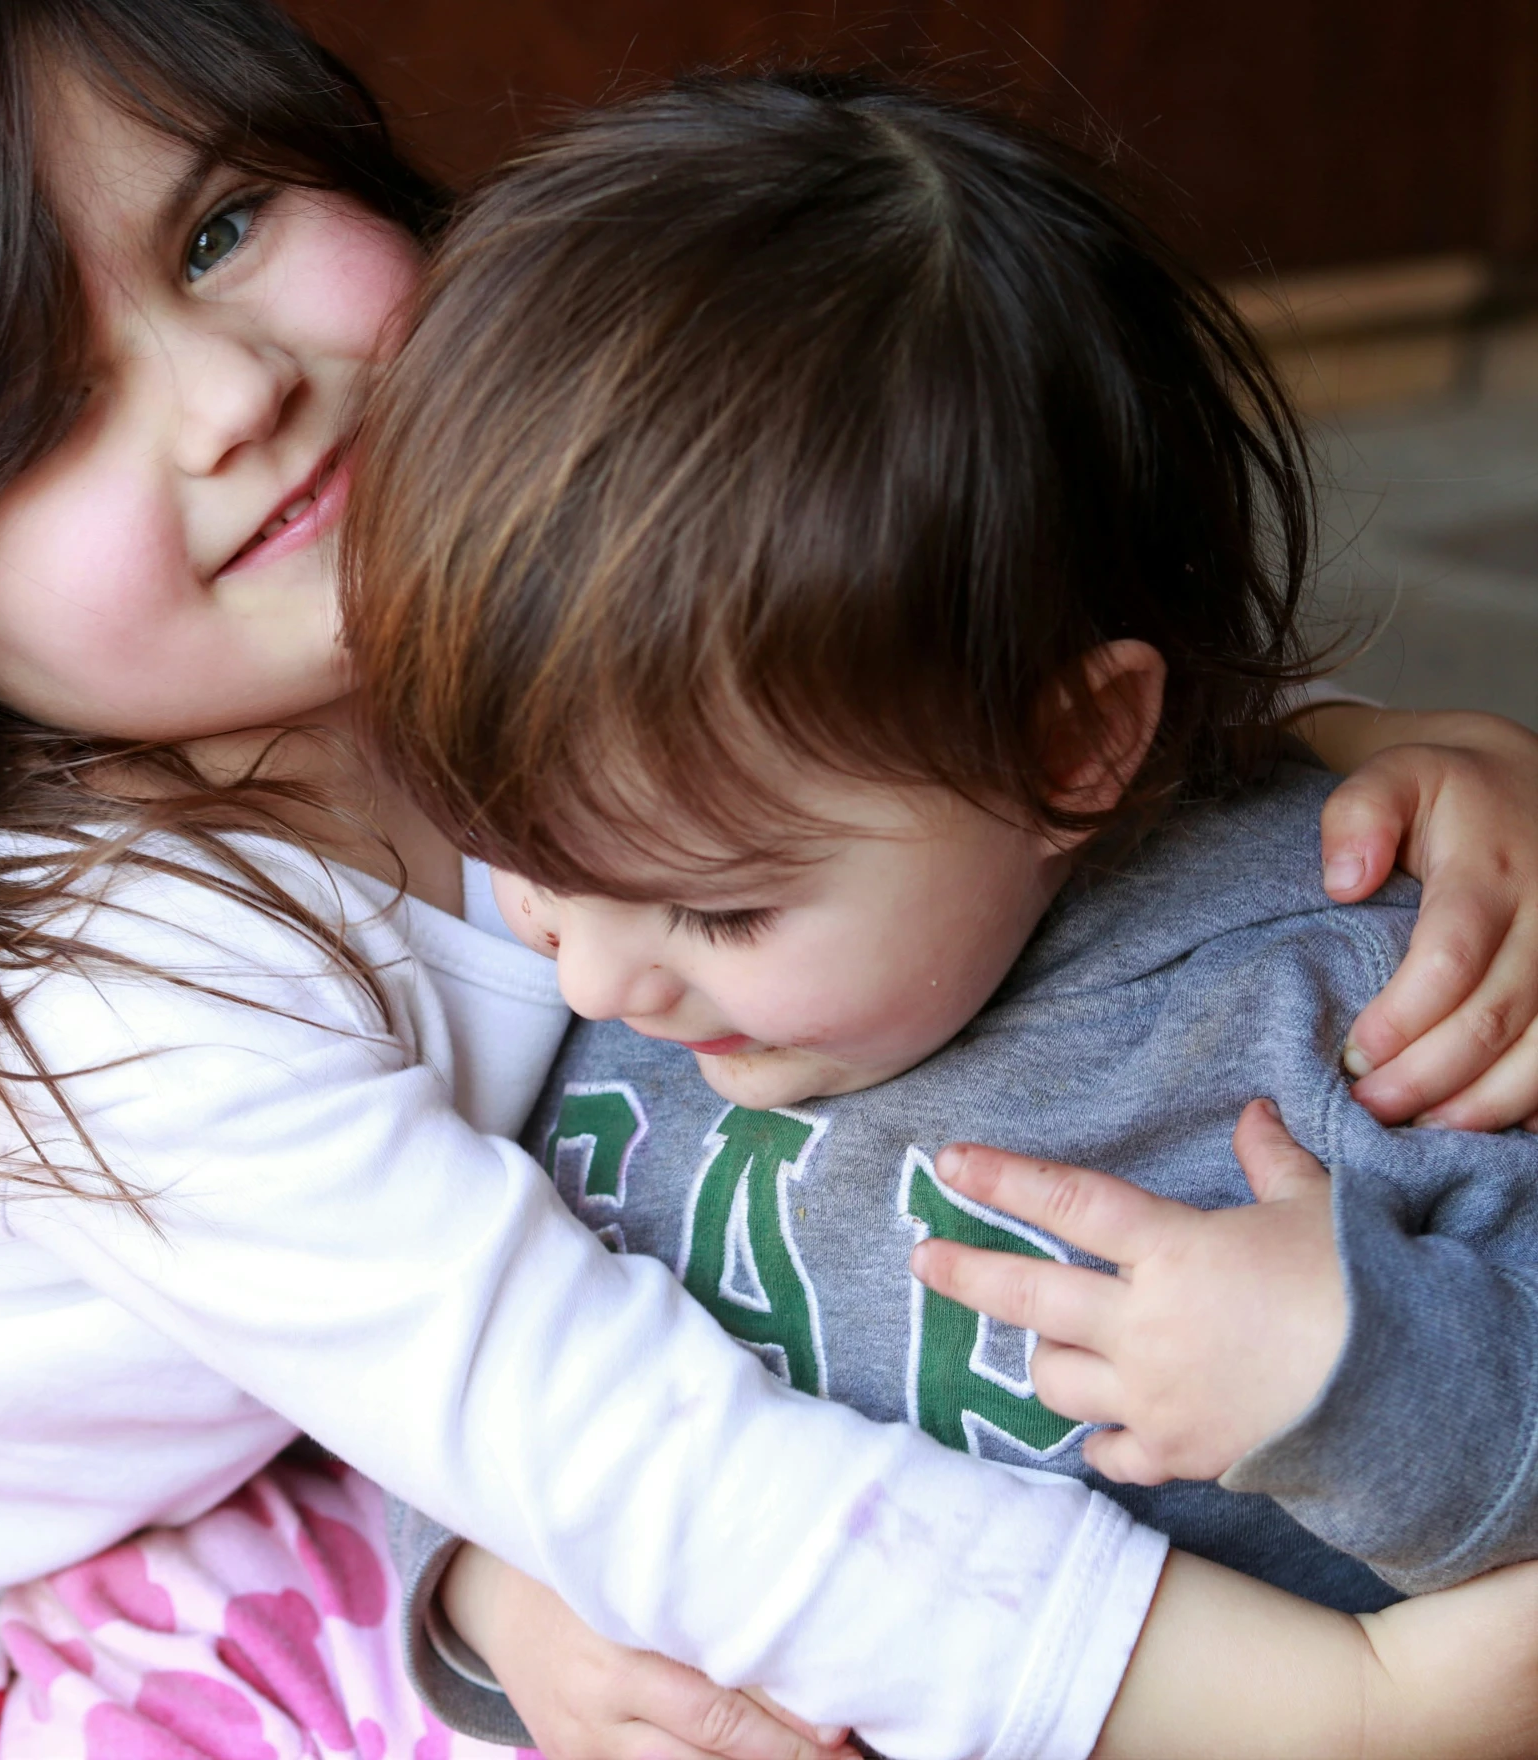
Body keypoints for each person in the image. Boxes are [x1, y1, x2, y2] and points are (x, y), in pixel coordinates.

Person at [0, 4, 1535, 1755]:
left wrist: (1367, 761)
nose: (232, 391)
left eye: (220, 227)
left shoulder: (466, 612)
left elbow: (916, 698)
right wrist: (1344, 1701)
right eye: (23, 417)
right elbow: (654, 1465)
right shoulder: (125, 997)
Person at [340, 68, 1538, 1759]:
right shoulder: (586, 984)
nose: (601, 975)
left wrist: (1353, 1369)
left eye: (724, 908)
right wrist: (490, 1588)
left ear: (1070, 745)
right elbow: (462, 1369)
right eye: (524, 861)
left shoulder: (1347, 1004)